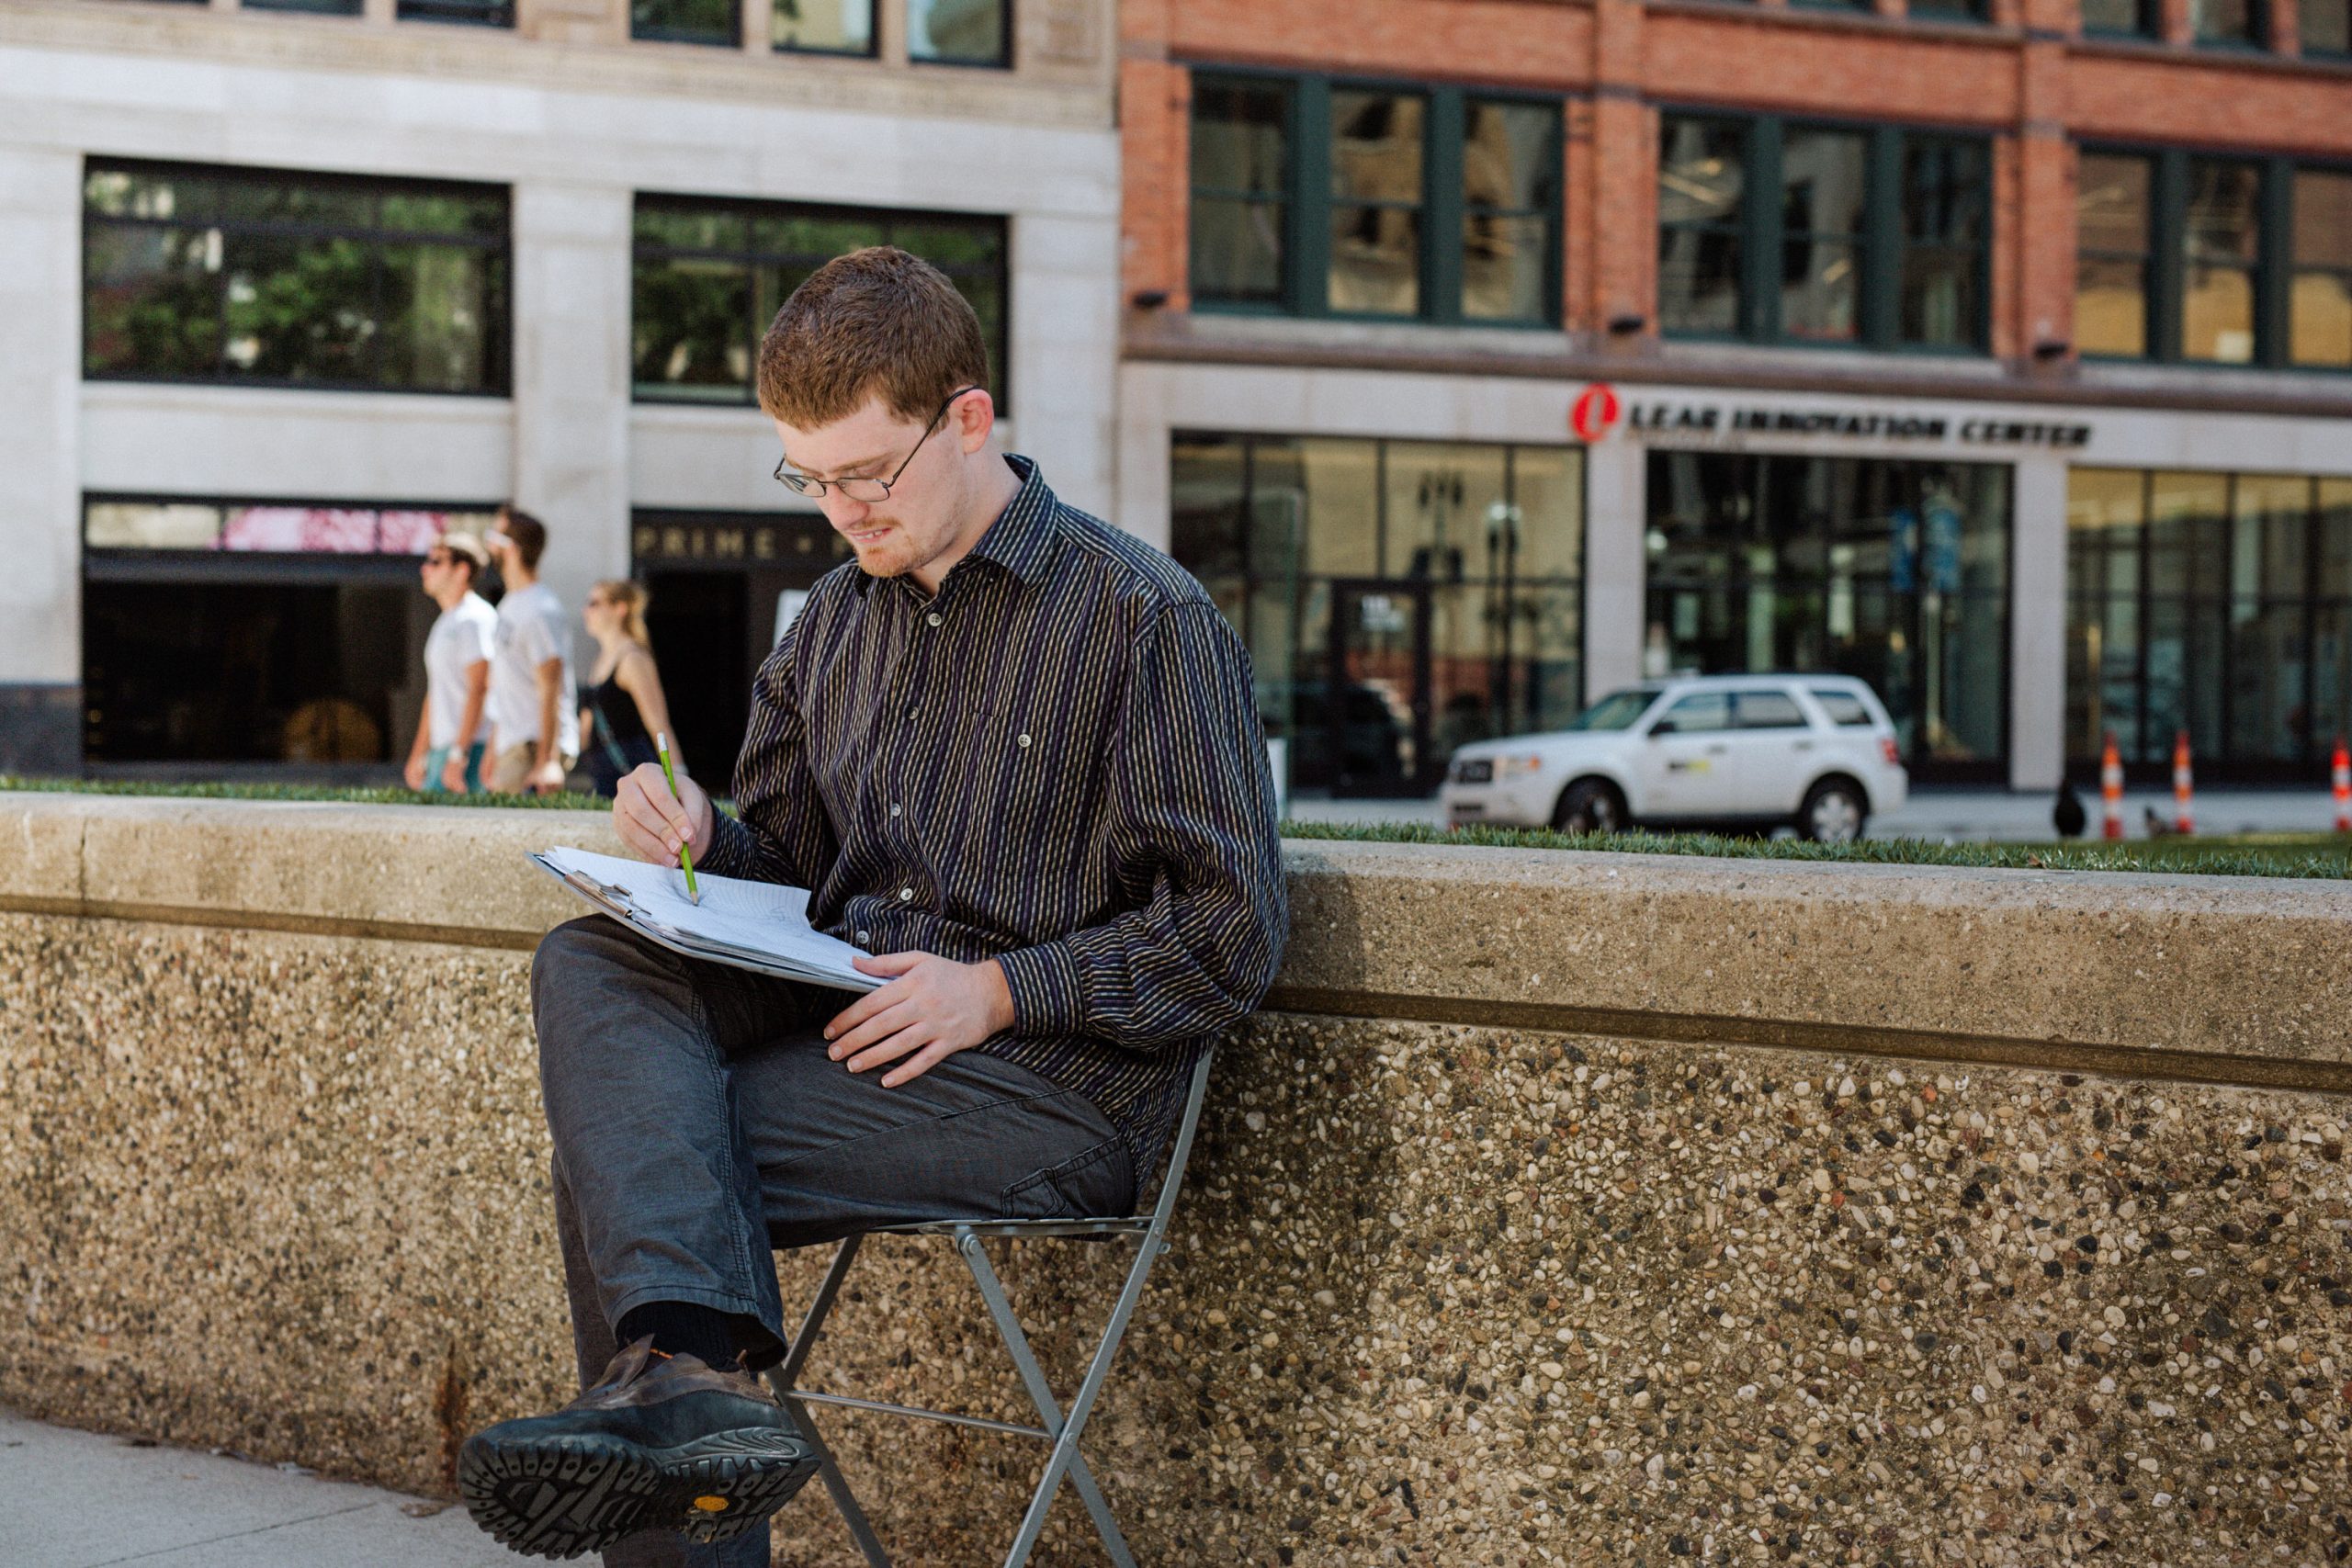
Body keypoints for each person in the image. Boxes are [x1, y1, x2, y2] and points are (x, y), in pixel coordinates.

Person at [458, 247, 1289, 1567]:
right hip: (853, 1018)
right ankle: (697, 1383)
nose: (839, 508)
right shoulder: (834, 621)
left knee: (637, 1150)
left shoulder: (1144, 616)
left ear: (968, 420)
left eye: (864, 473)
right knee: (590, 964)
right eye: (811, 477)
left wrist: (998, 989)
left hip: (1053, 1083)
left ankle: (685, 1391)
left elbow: (1230, 929)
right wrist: (698, 840)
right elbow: (788, 858)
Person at [483, 506, 580, 795]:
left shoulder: (540, 609)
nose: (488, 543)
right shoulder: (511, 604)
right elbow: (506, 686)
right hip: (513, 747)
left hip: (532, 750)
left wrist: (547, 761)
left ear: (509, 548)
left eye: (493, 535)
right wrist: (493, 749)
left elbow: (551, 686)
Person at [403, 532, 496, 795]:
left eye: (436, 562)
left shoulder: (475, 618)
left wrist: (459, 753)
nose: (425, 568)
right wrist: (419, 753)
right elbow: (435, 694)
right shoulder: (446, 621)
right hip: (444, 750)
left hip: (470, 750)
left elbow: (480, 687)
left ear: (461, 570)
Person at [578, 580, 674, 799]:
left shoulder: (632, 658)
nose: (586, 610)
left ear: (619, 608)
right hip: (601, 772)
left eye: (594, 603)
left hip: (629, 770)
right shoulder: (601, 660)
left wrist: (676, 773)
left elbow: (658, 723)